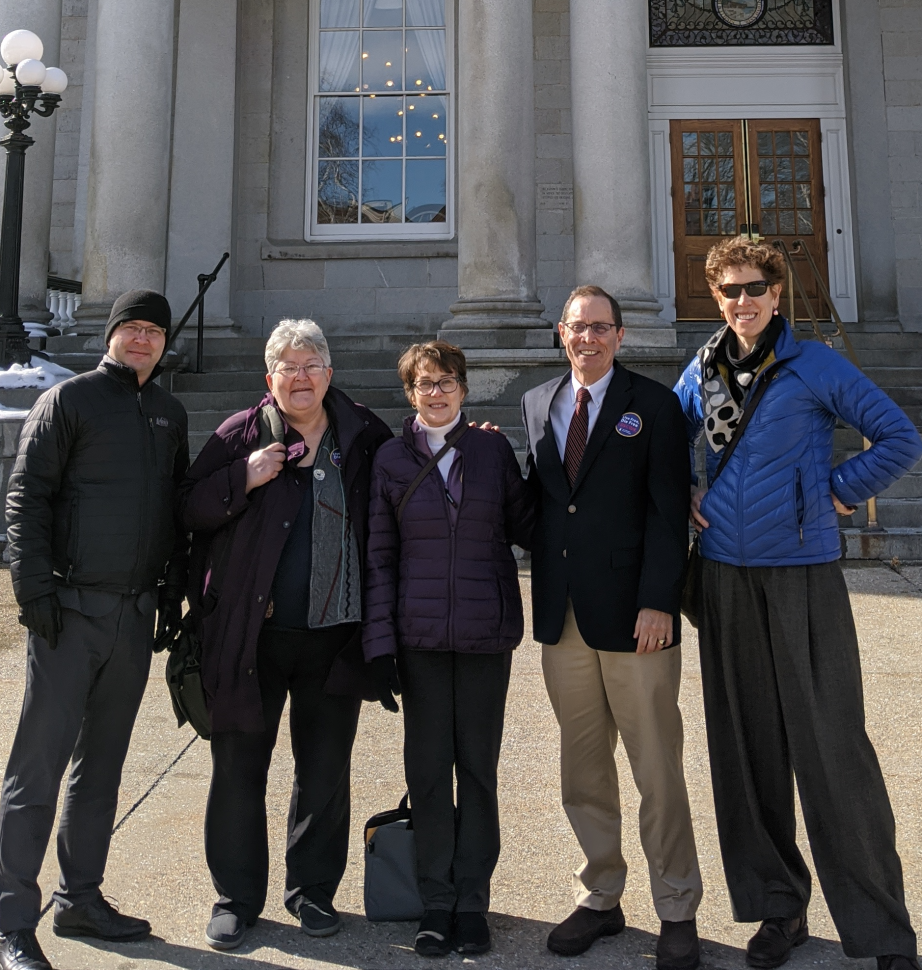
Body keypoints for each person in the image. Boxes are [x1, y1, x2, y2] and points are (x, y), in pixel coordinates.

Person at [674, 236, 922, 970]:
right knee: (747, 754)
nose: (742, 302)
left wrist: (836, 492)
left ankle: (882, 930)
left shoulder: (815, 364)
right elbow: (668, 441)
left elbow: (900, 437)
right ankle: (779, 910)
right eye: (729, 291)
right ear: (715, 298)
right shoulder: (702, 370)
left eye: (755, 288)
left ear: (777, 294)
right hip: (723, 575)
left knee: (834, 753)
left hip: (802, 575)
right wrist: (685, 486)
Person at [178, 319, 391, 952]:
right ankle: (236, 898)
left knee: (324, 772)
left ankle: (313, 892)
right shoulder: (238, 434)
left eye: (311, 365)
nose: (300, 378)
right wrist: (241, 479)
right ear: (269, 379)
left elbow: (412, 480)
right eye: (287, 367)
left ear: (330, 372)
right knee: (239, 767)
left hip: (335, 636)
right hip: (252, 639)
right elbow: (188, 508)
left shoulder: (362, 434)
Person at [0, 290, 188, 970]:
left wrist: (171, 591)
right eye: (130, 329)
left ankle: (82, 899)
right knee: (36, 769)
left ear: (165, 343)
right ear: (112, 335)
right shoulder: (69, 401)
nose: (141, 341)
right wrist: (34, 589)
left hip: (134, 617)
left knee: (100, 770)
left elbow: (173, 506)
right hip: (69, 615)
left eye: (152, 332)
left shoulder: (169, 413)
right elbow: (27, 497)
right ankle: (12, 919)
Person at [521, 286, 702, 968]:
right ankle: (600, 893)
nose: (588, 338)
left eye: (601, 328)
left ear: (620, 337)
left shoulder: (653, 406)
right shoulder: (538, 403)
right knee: (583, 765)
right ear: (560, 335)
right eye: (577, 327)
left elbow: (667, 513)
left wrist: (660, 600)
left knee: (657, 767)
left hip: (637, 619)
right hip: (563, 618)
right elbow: (540, 506)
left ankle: (677, 906)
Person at [363, 341, 534, 957]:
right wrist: (379, 646)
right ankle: (435, 901)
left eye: (447, 382)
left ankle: (472, 902)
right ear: (409, 393)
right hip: (421, 639)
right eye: (424, 384)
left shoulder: (491, 448)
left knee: (479, 773)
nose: (436, 393)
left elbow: (528, 523)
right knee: (430, 774)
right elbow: (379, 558)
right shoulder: (389, 459)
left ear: (465, 388)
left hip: (486, 635)